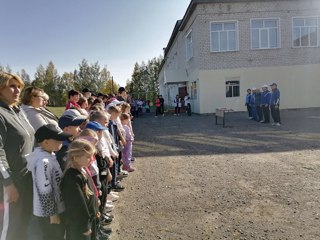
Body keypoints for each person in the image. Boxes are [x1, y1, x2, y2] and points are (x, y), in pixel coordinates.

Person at [0, 72, 35, 239]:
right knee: (8, 228)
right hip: (9, 183)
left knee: (23, 223)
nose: (17, 90)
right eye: (12, 86)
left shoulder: (17, 111)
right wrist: (8, 183)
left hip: (26, 178)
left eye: (19, 86)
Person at [26, 124, 73, 240]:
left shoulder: (49, 155)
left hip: (56, 207)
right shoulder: (43, 162)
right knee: (53, 236)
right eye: (58, 139)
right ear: (46, 142)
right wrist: (52, 214)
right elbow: (45, 190)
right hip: (50, 213)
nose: (62, 141)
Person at [61, 139, 99, 240]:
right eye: (88, 156)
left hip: (89, 219)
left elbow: (90, 191)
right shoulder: (71, 178)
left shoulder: (82, 169)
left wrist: (95, 208)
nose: (91, 159)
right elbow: (77, 205)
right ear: (75, 157)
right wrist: (84, 226)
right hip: (80, 225)